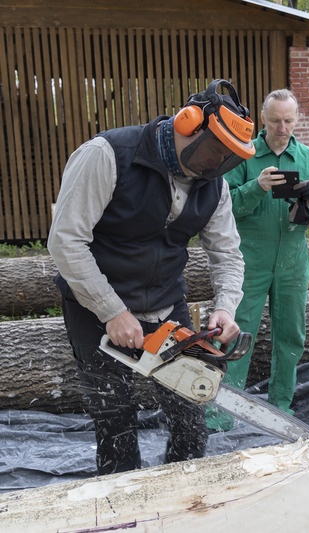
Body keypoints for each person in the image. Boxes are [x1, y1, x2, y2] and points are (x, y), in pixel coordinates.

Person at [48, 79, 254, 475]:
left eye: (226, 158)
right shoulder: (107, 155)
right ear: (187, 123)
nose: (215, 165)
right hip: (95, 307)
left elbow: (227, 253)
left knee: (190, 418)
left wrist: (226, 307)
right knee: (115, 421)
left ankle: (180, 497)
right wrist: (112, 311)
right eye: (213, 151)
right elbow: (65, 242)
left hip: (166, 305)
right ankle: (123, 507)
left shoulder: (214, 186)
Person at [205, 88, 309, 431]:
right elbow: (223, 206)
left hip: (293, 260)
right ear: (263, 119)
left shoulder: (308, 157)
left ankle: (281, 406)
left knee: (290, 334)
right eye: (276, 120)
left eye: (289, 120)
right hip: (249, 259)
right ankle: (222, 411)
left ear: (297, 119)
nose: (283, 127)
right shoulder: (242, 156)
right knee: (236, 332)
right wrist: (257, 187)